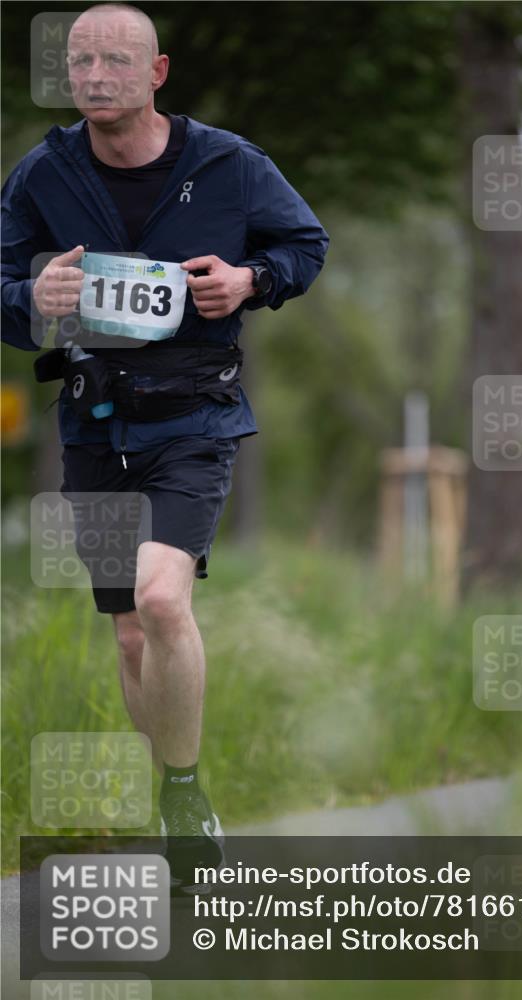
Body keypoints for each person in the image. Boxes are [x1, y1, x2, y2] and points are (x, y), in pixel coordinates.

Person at [1, 2, 329, 886]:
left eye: (116, 59)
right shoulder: (41, 174)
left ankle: (184, 794)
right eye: (80, 61)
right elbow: (1, 286)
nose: (95, 75)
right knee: (129, 639)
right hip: (93, 424)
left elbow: (304, 244)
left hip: (194, 416)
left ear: (157, 72)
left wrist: (249, 280)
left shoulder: (229, 164)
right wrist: (37, 302)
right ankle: (171, 787)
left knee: (162, 601)